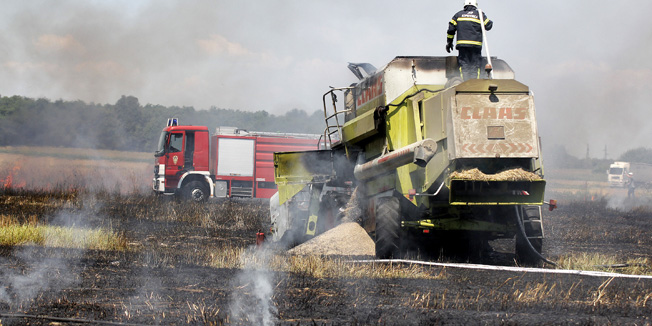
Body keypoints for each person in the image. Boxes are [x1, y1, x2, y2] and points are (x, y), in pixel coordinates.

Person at [446, 0, 493, 81]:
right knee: (475, 66)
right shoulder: (479, 14)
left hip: (462, 45)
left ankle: (465, 84)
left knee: (464, 66)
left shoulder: (458, 15)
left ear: (465, 5)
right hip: (476, 46)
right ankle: (474, 85)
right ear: (475, 5)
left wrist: (449, 42)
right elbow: (489, 25)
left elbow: (451, 30)